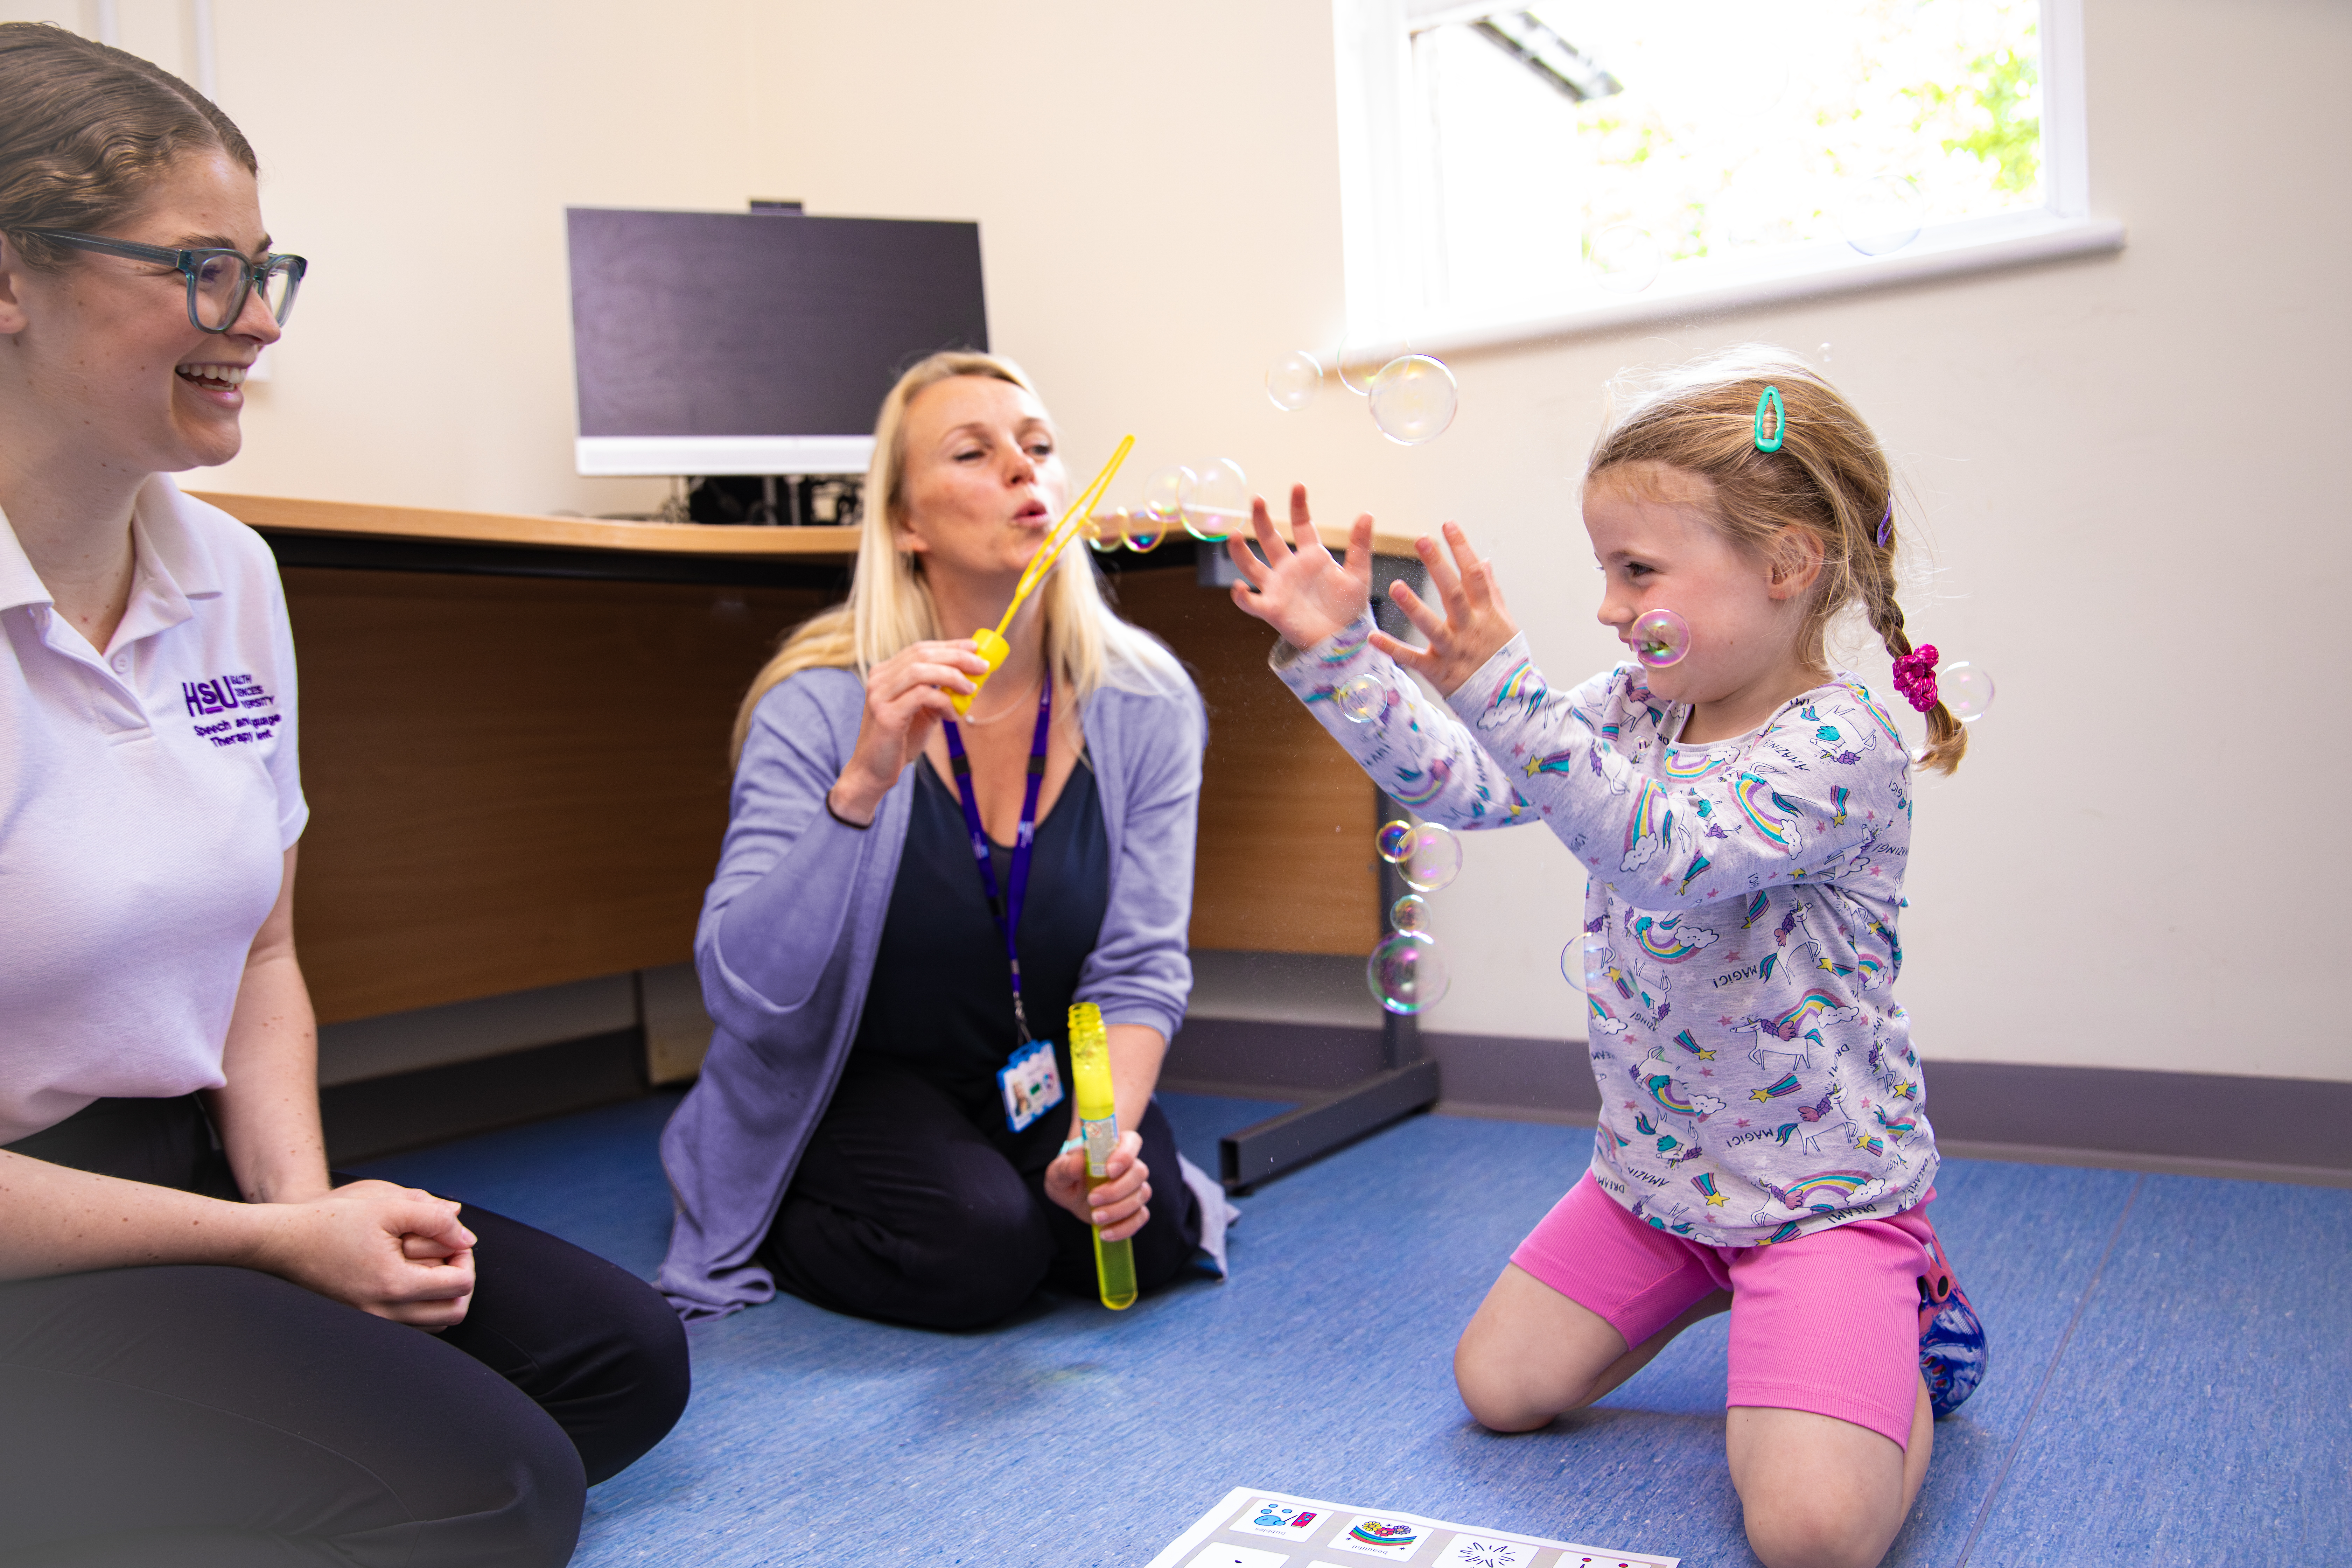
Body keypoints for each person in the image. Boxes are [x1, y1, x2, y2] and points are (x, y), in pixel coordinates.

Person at [0, 26, 686, 1566]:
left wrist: (307, 1222)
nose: (255, 324)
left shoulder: (227, 572)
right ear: (9, 282)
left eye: (265, 271)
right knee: (496, 1492)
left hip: (170, 1171)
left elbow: (260, 955)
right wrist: (266, 1247)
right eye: (199, 271)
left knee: (618, 1363)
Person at [1224, 348, 1988, 1568]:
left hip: (1820, 1204)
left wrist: (1501, 686)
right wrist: (1337, 656)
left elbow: (1666, 854)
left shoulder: (1843, 745)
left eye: (1638, 571)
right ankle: (1723, 1288)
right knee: (1501, 1388)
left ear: (1788, 565)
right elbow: (1474, 785)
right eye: (1606, 571)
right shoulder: (1641, 702)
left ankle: (1902, 1316)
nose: (1610, 607)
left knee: (1811, 1537)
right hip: (1658, 1179)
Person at [659, 350, 1228, 1327]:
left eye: (1041, 446)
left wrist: (1103, 1142)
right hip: (855, 1071)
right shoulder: (818, 707)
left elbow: (1138, 967)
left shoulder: (1145, 699)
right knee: (981, 1252)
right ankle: (775, 1190)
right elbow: (743, 991)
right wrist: (863, 785)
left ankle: (1026, 1188)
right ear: (905, 524)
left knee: (1146, 1236)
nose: (1024, 468)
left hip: (1043, 1060)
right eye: (975, 451)